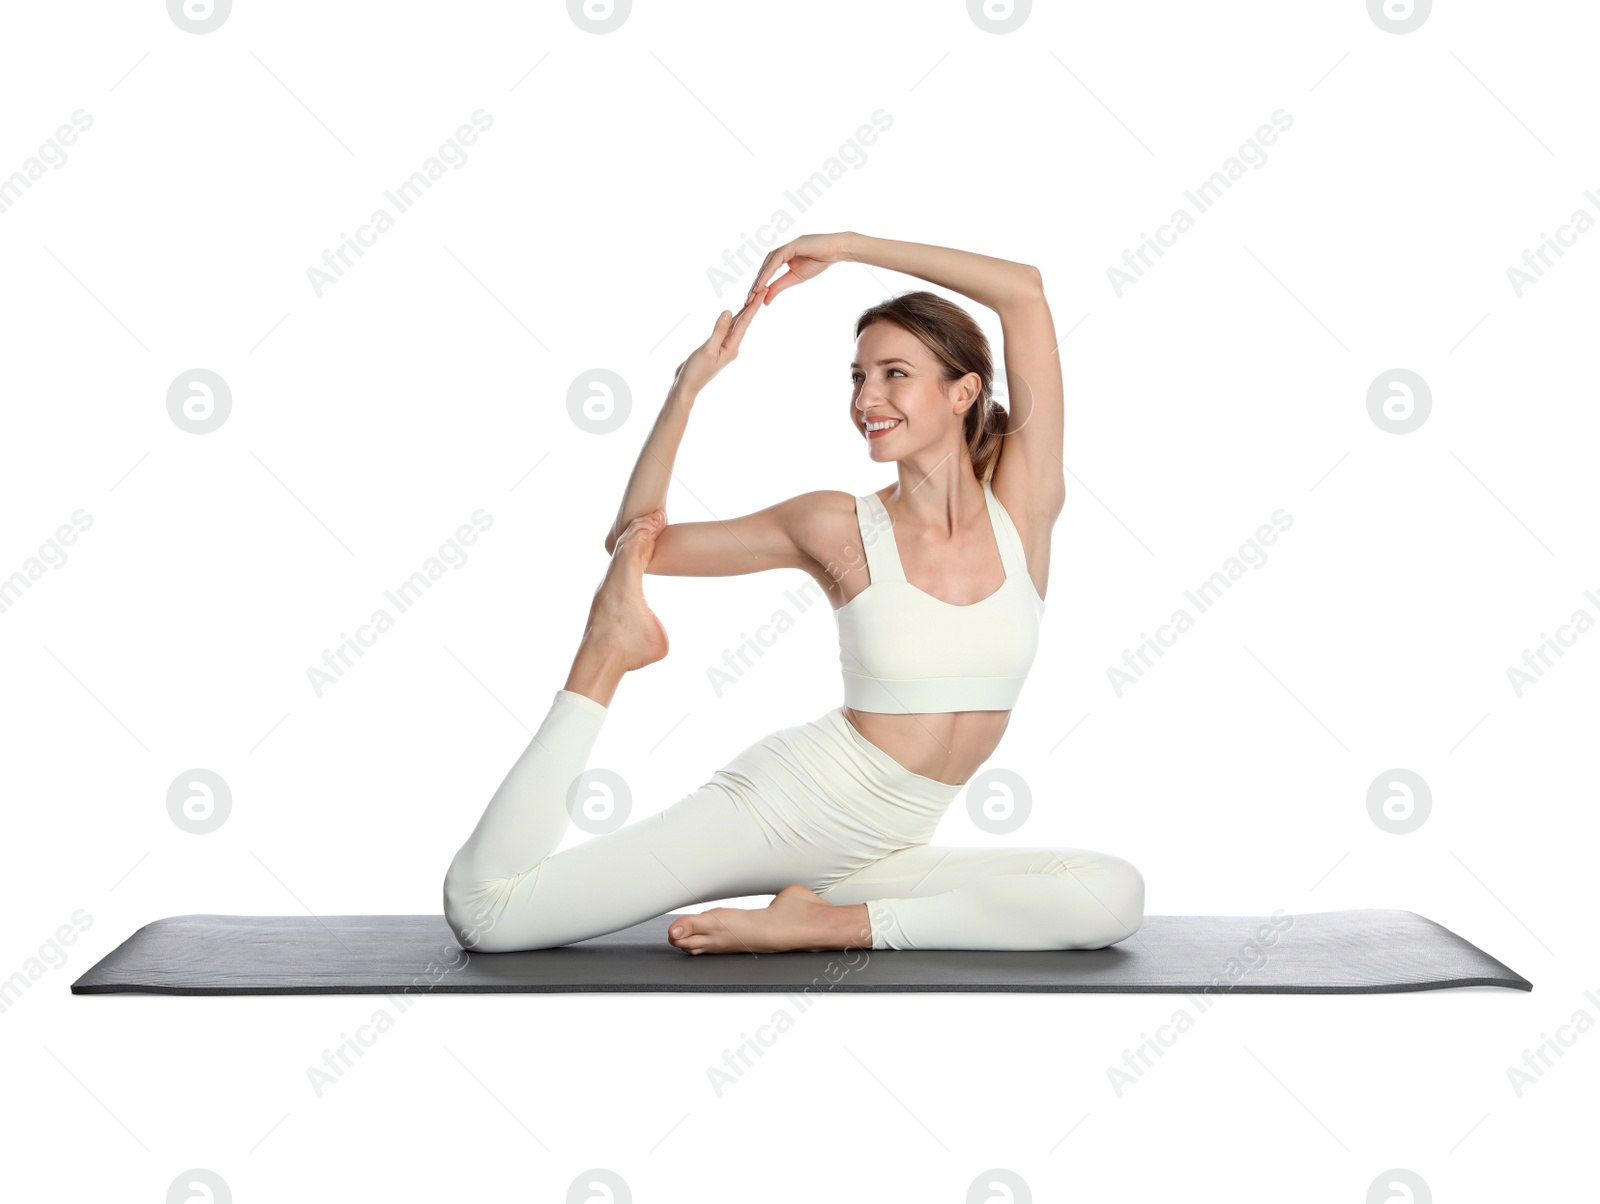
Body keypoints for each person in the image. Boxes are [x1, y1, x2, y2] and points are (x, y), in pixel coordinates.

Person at [441, 231, 1144, 955]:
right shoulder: (837, 526)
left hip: (887, 851)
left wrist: (848, 246)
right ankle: (608, 652)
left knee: (1112, 894)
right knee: (488, 914)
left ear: (963, 391)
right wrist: (687, 389)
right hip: (788, 809)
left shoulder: (1022, 512)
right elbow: (637, 540)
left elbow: (1023, 291)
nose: (867, 398)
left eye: (894, 373)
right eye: (857, 377)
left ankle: (826, 924)